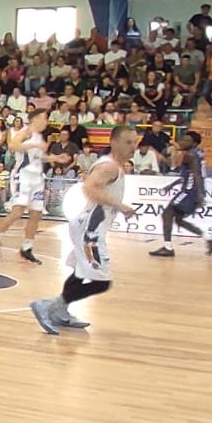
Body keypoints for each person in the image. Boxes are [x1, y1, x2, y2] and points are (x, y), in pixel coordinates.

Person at [31, 124, 137, 336]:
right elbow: (89, 188)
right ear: (114, 142)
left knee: (80, 273)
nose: (132, 147)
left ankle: (60, 311)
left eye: (134, 142)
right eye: (128, 142)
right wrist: (120, 205)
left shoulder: (114, 166)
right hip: (90, 231)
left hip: (88, 226)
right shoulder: (109, 167)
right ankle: (49, 305)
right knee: (102, 282)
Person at [0, 109, 51, 264]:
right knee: (17, 212)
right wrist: (34, 144)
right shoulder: (26, 132)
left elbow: (38, 157)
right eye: (44, 118)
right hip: (23, 176)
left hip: (36, 177)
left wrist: (55, 158)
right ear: (35, 119)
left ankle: (27, 248)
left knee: (36, 213)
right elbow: (13, 145)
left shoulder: (39, 136)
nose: (46, 121)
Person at [151, 131, 212, 257]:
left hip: (189, 191)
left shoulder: (189, 155)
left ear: (193, 143)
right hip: (190, 190)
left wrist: (200, 195)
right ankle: (209, 238)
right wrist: (172, 185)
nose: (182, 142)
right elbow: (190, 175)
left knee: (167, 214)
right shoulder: (197, 153)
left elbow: (197, 176)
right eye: (182, 139)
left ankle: (168, 248)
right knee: (178, 220)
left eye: (186, 140)